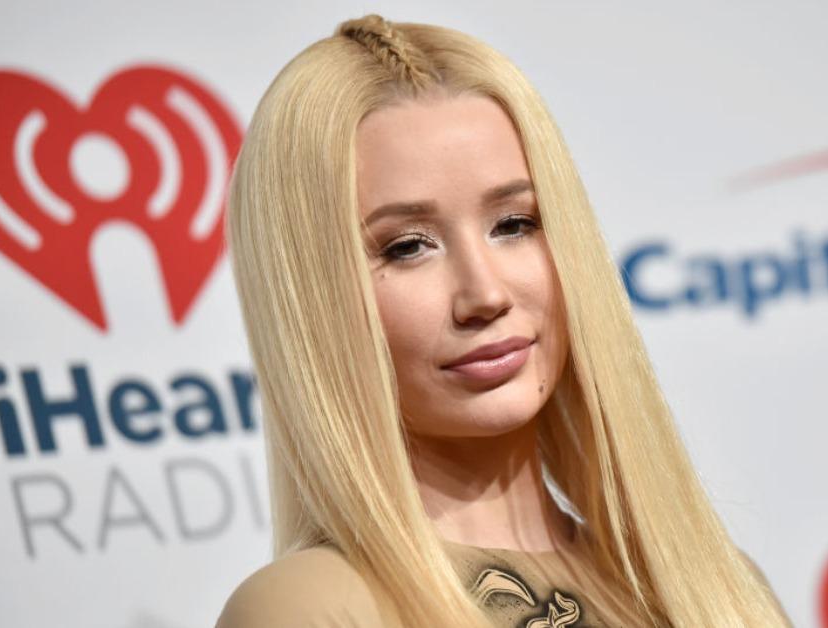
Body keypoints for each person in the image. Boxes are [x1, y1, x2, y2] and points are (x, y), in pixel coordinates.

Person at [215, 13, 792, 628]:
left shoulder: (715, 587)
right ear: (312, 300)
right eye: (407, 246)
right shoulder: (308, 609)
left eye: (514, 225)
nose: (484, 294)